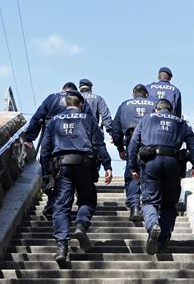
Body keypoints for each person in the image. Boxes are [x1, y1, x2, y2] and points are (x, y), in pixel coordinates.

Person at [40, 90, 113, 262]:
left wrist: (46, 173)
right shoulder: (88, 119)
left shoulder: (55, 121)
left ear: (66, 104)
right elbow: (98, 144)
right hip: (84, 165)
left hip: (61, 166)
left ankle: (61, 247)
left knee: (61, 206)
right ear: (81, 104)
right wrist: (107, 166)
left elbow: (45, 149)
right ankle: (80, 225)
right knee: (87, 199)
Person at [127, 99, 194, 255]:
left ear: (156, 108)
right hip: (173, 163)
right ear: (171, 110)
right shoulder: (180, 122)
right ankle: (162, 240)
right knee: (169, 204)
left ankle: (153, 224)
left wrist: (133, 167)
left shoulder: (146, 119)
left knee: (149, 201)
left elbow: (133, 143)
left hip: (151, 163)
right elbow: (193, 141)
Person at [23, 82, 91, 216]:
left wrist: (29, 137)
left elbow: (37, 117)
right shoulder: (79, 99)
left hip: (50, 140)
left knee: (48, 171)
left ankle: (51, 200)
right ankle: (62, 203)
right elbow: (89, 120)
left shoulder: (51, 98)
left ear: (63, 89)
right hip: (72, 144)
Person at [111, 84, 154, 221]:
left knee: (132, 174)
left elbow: (115, 130)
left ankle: (134, 206)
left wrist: (120, 149)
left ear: (133, 93)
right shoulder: (154, 104)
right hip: (151, 142)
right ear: (146, 94)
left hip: (131, 142)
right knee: (150, 174)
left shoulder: (124, 105)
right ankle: (150, 208)